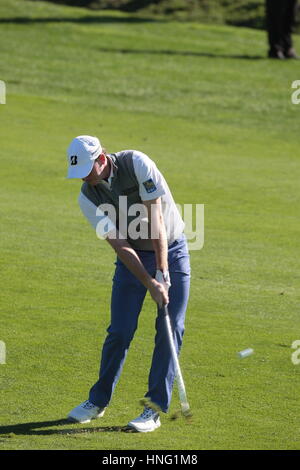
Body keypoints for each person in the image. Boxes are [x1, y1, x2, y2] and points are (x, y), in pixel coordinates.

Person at [65, 135, 191, 432]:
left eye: (88, 168)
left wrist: (162, 271)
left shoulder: (137, 163)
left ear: (102, 158)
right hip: (132, 259)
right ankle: (98, 401)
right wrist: (149, 281)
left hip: (170, 250)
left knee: (170, 329)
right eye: (79, 171)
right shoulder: (87, 196)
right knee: (120, 331)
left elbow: (156, 218)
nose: (85, 176)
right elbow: (120, 245)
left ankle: (154, 409)